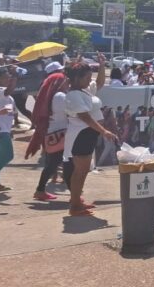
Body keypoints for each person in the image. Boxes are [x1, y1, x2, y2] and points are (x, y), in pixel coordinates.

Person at [62, 55, 118, 216]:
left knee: (83, 171)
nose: (90, 80)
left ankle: (77, 200)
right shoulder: (73, 95)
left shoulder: (84, 90)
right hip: (81, 135)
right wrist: (104, 131)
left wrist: (102, 65)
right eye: (87, 77)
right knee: (80, 171)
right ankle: (74, 205)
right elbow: (85, 117)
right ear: (77, 78)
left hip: (87, 135)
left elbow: (99, 83)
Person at [31, 72, 69, 201]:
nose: (67, 82)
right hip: (60, 135)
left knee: (53, 165)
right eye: (65, 80)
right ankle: (74, 196)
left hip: (55, 134)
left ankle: (40, 190)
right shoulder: (60, 96)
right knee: (63, 165)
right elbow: (71, 112)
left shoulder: (54, 96)